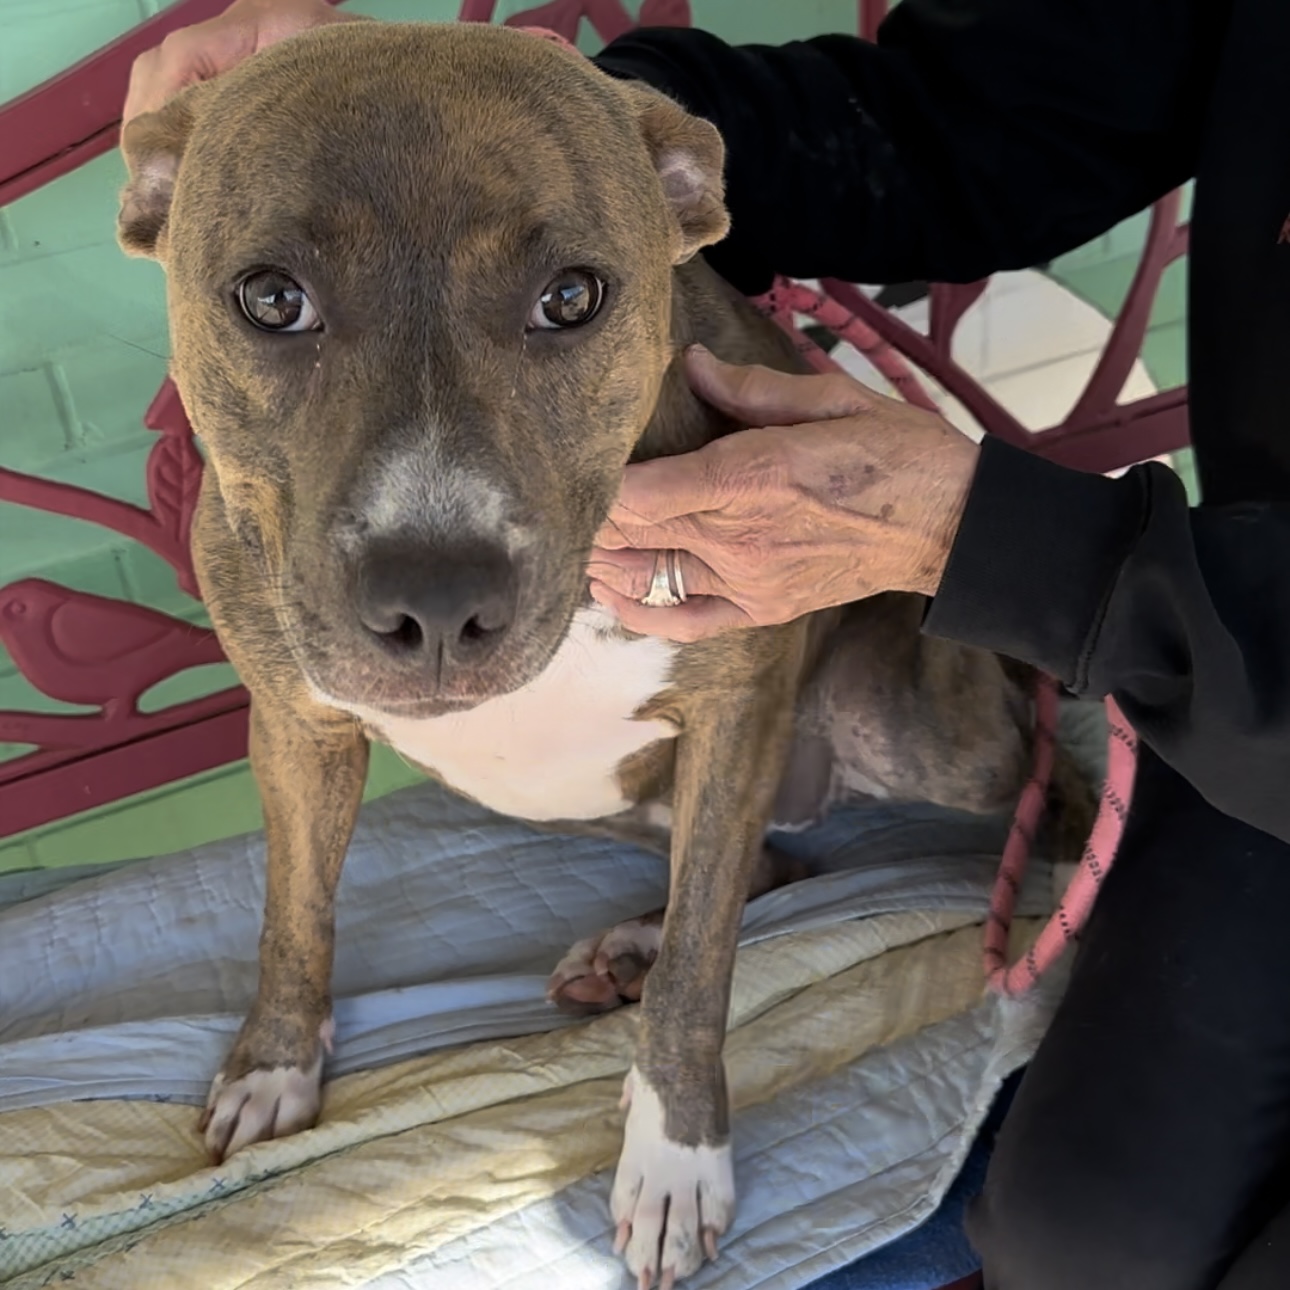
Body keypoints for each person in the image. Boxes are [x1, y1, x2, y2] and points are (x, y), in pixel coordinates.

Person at [123, 2, 1290, 1286]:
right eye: (272, 299)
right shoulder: (263, 530)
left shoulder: (707, 464)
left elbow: (752, 700)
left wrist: (681, 1074)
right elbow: (990, 109)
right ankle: (311, 1005)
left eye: (569, 298)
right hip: (1232, 636)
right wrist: (562, 129)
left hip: (1195, 662)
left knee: (969, 800)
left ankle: (755, 949)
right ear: (156, 210)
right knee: (1090, 1233)